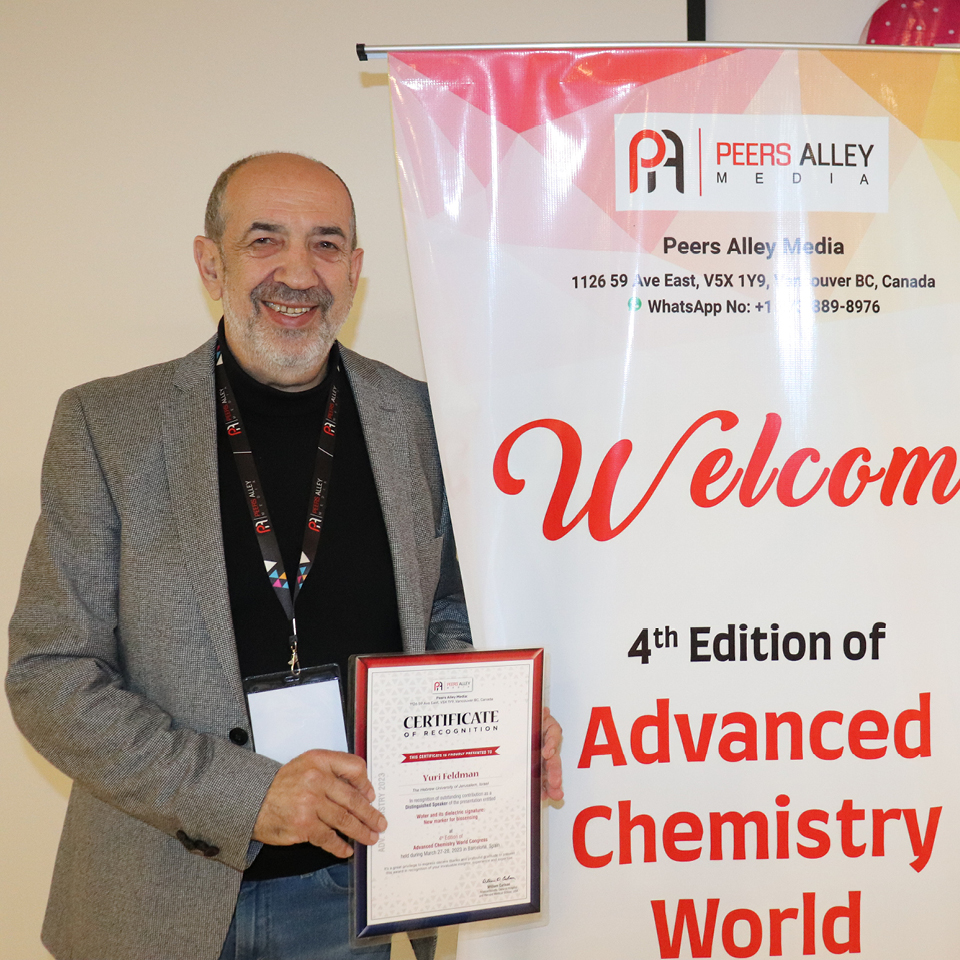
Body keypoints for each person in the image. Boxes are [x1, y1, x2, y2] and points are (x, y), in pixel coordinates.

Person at [6, 152, 563, 960]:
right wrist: (247, 796)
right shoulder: (107, 425)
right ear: (211, 263)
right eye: (265, 240)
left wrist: (495, 724)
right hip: (153, 895)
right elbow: (51, 675)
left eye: (326, 245)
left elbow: (446, 613)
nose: (298, 273)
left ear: (356, 271)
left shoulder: (421, 419)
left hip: (356, 889)